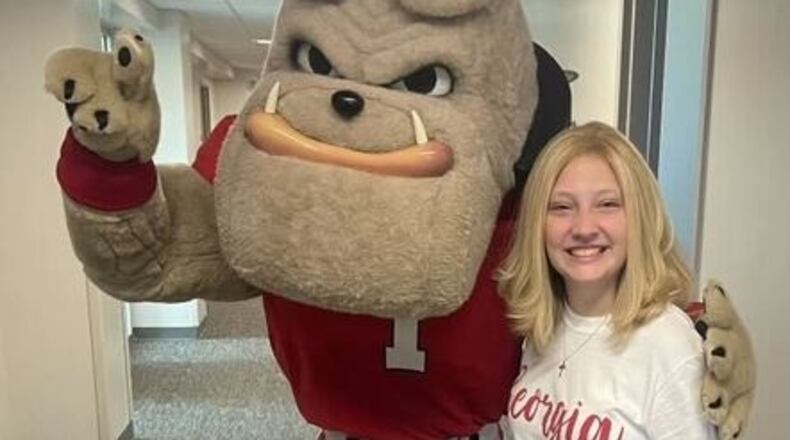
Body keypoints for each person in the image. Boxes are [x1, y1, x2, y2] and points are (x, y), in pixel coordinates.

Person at [498, 121, 715, 439]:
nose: (584, 227)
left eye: (607, 204)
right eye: (561, 207)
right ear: (537, 225)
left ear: (639, 218)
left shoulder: (671, 348)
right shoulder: (544, 327)